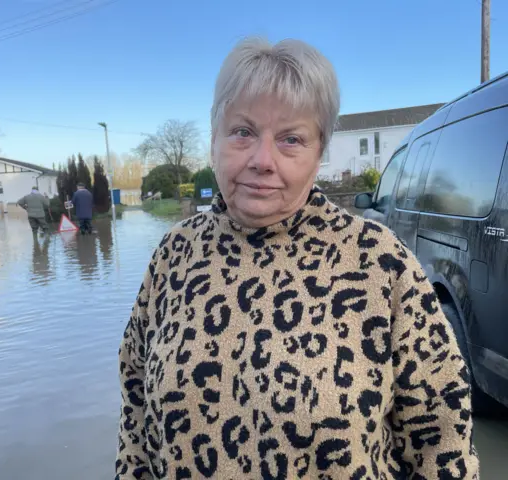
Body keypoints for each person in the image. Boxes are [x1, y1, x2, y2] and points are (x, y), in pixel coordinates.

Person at [116, 37, 479, 479]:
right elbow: (135, 407)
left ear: (319, 152)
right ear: (214, 139)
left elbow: (443, 438)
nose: (262, 160)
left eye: (290, 139)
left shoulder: (380, 263)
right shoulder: (174, 255)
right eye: (243, 132)